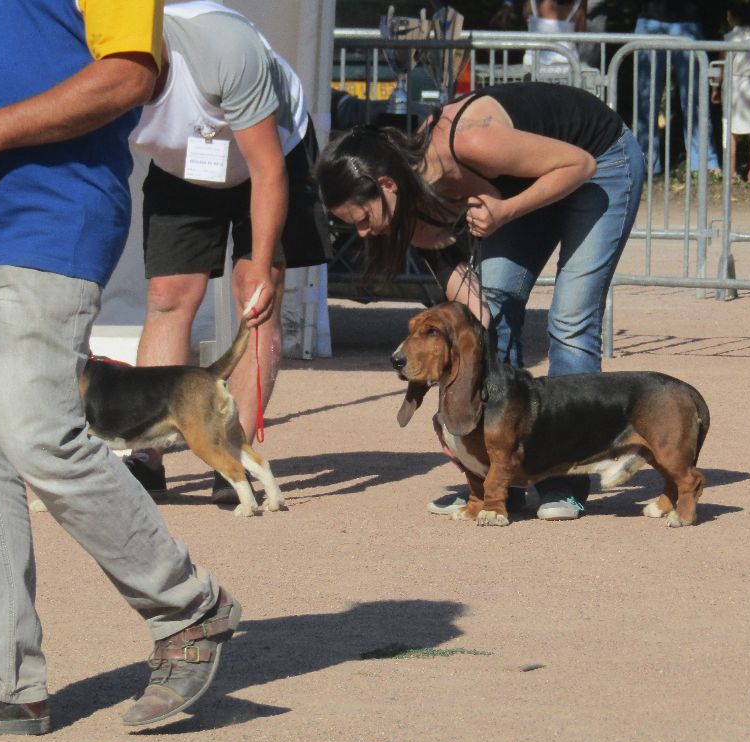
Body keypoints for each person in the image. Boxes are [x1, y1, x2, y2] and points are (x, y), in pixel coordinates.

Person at [0, 0, 239, 736]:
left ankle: (189, 608)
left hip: (50, 211)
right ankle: (0, 682)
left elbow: (128, 75)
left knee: (38, 432)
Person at [316, 81, 645, 520]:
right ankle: (499, 482)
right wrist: (474, 332)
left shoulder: (468, 137)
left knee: (570, 321)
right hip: (526, 182)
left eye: (362, 219)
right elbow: (477, 313)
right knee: (496, 310)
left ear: (387, 184)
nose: (362, 234)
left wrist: (506, 212)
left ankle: (566, 480)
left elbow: (579, 164)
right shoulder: (411, 211)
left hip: (598, 164)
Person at [125, 1, 329, 504]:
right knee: (169, 293)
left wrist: (261, 263)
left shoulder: (225, 51)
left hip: (271, 154)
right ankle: (146, 457)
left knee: (256, 296)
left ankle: (231, 449)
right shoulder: (88, 68)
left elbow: (266, 172)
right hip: (184, 163)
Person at [635, 0, 722, 177]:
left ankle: (704, 163)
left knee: (695, 100)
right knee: (645, 100)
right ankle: (644, 162)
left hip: (687, 22)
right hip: (651, 22)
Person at [712, 1, 750, 183]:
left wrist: (715, 88)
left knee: (730, 129)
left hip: (733, 85)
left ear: (733, 18)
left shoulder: (728, 39)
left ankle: (730, 172)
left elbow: (720, 65)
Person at [522, 0, 584, 81]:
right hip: (566, 67)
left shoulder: (531, 4)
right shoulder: (577, 6)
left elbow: (526, 21)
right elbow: (581, 32)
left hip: (533, 66)